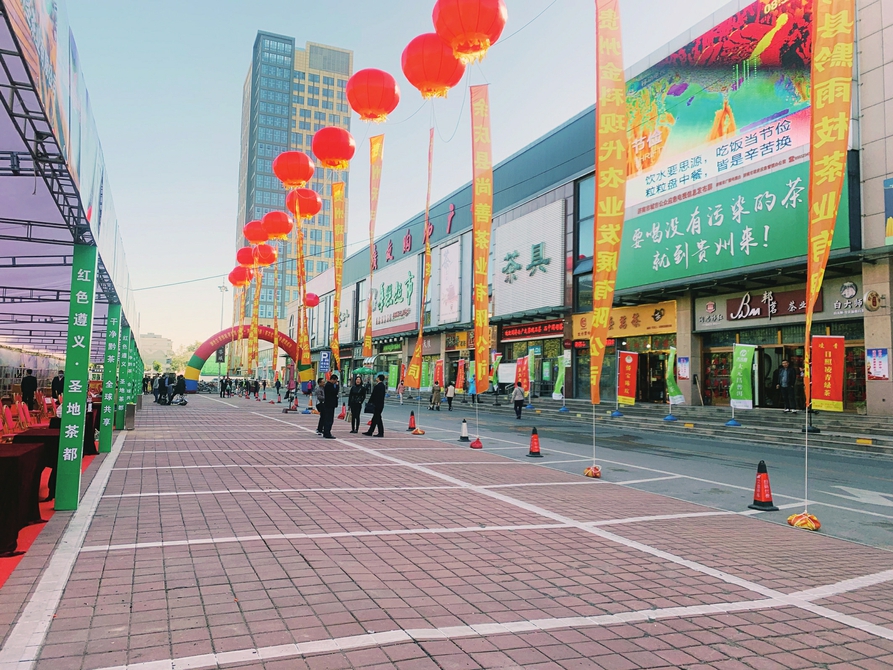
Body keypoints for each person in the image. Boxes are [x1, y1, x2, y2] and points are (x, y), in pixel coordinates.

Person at [322, 373, 339, 439]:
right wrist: (337, 386)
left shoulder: (329, 385)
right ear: (333, 380)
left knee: (328, 419)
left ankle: (326, 432)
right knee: (329, 419)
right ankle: (327, 432)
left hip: (330, 404)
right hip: (329, 404)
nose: (336, 382)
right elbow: (334, 392)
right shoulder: (329, 385)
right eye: (335, 381)